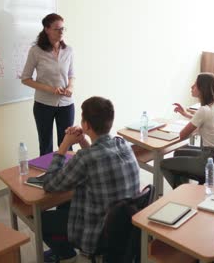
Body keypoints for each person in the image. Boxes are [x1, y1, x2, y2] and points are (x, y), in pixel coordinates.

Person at [40, 96, 140, 262]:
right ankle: (68, 249)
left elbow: (50, 184)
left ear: (85, 125)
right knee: (65, 204)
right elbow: (98, 157)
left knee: (42, 221)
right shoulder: (122, 144)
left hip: (96, 234)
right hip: (125, 227)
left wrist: (63, 146)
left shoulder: (85, 158)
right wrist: (82, 141)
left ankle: (69, 255)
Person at [160, 72, 214, 189]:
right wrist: (185, 114)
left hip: (208, 160)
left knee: (164, 164)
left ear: (203, 89)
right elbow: (204, 120)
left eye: (195, 85)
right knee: (178, 152)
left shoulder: (204, 110)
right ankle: (184, 189)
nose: (192, 87)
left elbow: (182, 135)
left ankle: (183, 192)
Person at [21, 13, 76, 156]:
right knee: (45, 145)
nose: (61, 32)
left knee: (66, 143)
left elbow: (71, 75)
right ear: (47, 29)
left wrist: (70, 87)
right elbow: (25, 78)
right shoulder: (36, 51)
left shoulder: (68, 50)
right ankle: (48, 176)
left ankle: (68, 175)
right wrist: (50, 89)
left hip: (66, 104)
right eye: (57, 29)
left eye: (63, 28)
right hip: (43, 104)